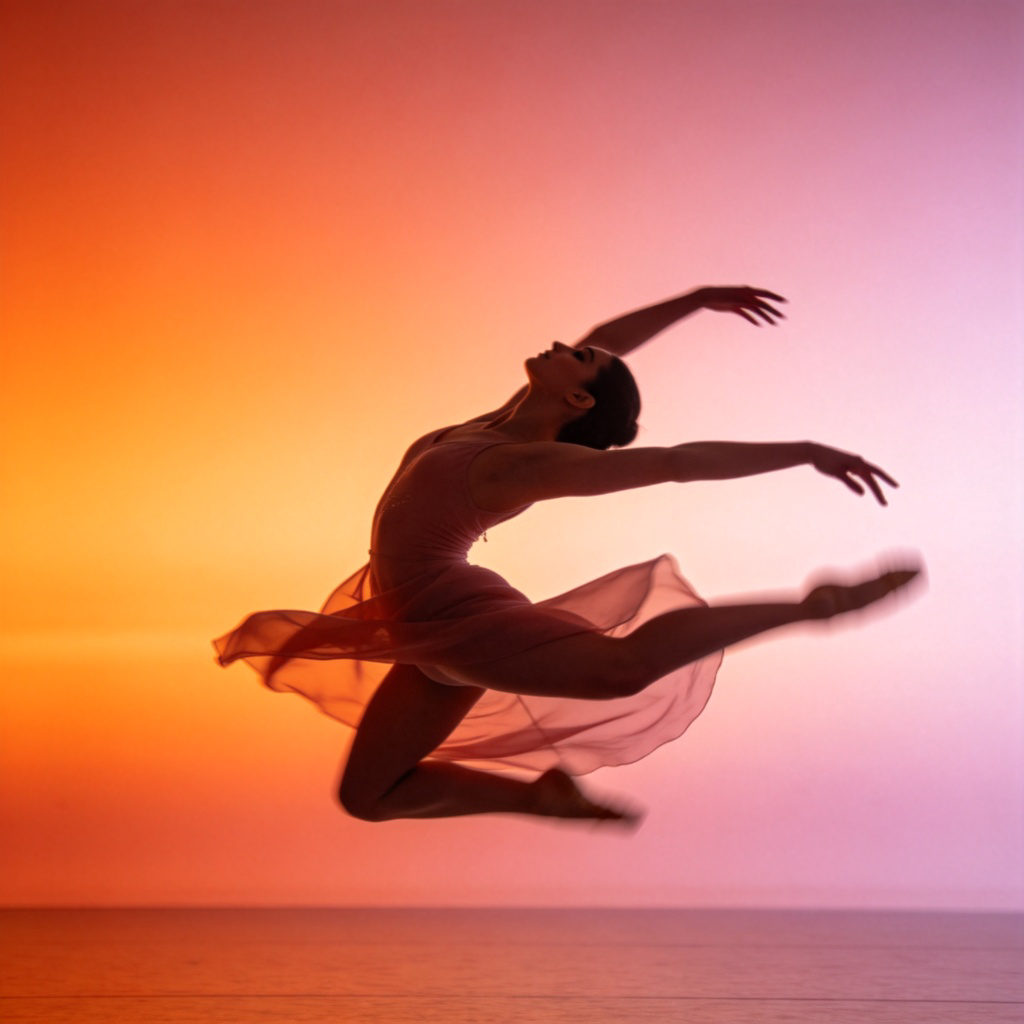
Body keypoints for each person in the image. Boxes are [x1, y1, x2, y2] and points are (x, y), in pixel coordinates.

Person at [214, 285, 920, 824]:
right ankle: (543, 798)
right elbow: (608, 340)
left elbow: (679, 462)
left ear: (577, 396)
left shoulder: (525, 464)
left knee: (622, 670)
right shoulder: (492, 421)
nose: (567, 343)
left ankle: (813, 605)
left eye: (578, 359)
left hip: (455, 616)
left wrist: (805, 452)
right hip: (421, 626)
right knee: (368, 796)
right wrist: (697, 301)